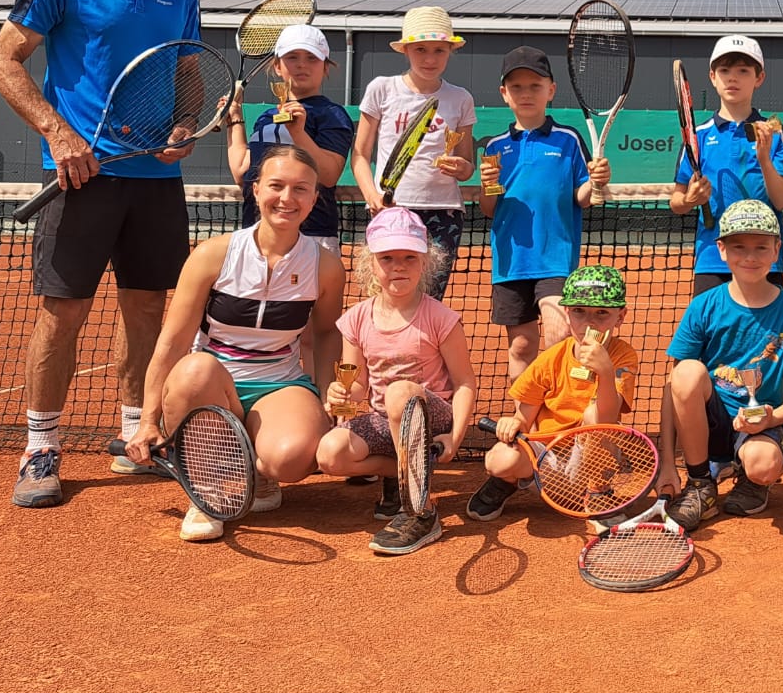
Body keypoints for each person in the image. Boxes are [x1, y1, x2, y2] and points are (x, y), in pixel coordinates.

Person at [0, 0, 202, 509]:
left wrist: (183, 127)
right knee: (64, 312)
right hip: (80, 177)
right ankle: (41, 447)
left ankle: (136, 436)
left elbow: (188, 76)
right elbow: (3, 60)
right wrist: (60, 135)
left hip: (153, 181)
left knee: (147, 306)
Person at [123, 146, 344, 542]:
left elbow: (327, 333)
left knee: (291, 459)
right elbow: (172, 341)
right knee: (194, 371)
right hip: (211, 379)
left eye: (300, 189)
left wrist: (329, 397)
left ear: (315, 198)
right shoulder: (213, 255)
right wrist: (148, 421)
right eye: (276, 186)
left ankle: (259, 471)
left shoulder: (325, 266)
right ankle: (205, 493)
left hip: (280, 382)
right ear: (255, 190)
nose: (287, 199)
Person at [317, 206, 477, 556]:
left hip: (432, 418)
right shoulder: (356, 319)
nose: (399, 266)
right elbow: (356, 387)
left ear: (425, 261)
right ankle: (403, 476)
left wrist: (456, 436)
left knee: (400, 392)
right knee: (330, 454)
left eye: (409, 257)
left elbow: (465, 383)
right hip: (382, 418)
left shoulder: (442, 318)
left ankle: (420, 509)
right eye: (387, 258)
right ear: (371, 263)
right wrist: (339, 394)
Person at [656, 199, 783, 531]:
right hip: (711, 422)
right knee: (688, 371)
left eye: (761, 247)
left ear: (777, 250)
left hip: (763, 422)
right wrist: (665, 464)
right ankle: (701, 482)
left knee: (763, 464)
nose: (750, 256)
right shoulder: (703, 306)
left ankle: (753, 480)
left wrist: (770, 418)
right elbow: (674, 386)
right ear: (721, 249)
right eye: (738, 247)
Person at [225, 24, 354, 382]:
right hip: (259, 238)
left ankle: (319, 406)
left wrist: (299, 131)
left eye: (310, 58)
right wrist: (236, 120)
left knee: (312, 334)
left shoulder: (332, 116)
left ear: (326, 66)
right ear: (277, 67)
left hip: (312, 237)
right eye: (291, 58)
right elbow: (243, 172)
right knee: (259, 329)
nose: (301, 66)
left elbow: (328, 174)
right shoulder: (266, 117)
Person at [477, 47, 611, 380]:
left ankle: (556, 415)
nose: (526, 93)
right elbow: (489, 209)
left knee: (558, 332)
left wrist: (596, 184)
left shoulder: (567, 139)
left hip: (555, 259)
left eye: (535, 86)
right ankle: (527, 418)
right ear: (504, 94)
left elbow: (582, 197)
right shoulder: (493, 147)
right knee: (521, 346)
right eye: (517, 87)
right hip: (511, 264)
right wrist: (488, 185)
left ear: (550, 90)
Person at [466, 264, 639, 521]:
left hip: (590, 461)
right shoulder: (552, 358)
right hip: (547, 461)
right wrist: (512, 424)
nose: (589, 322)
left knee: (593, 415)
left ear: (620, 316)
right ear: (567, 313)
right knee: (499, 461)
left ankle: (599, 493)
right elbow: (523, 419)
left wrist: (605, 370)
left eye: (602, 313)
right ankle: (508, 481)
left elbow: (606, 417)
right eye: (579, 311)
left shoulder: (622, 355)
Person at [351, 6, 475, 301]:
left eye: (439, 50)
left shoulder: (461, 98)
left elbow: (468, 164)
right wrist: (372, 195)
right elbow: (359, 154)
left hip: (444, 212)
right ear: (405, 50)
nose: (430, 59)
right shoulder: (382, 89)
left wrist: (461, 168)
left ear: (450, 51)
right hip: (393, 210)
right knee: (389, 297)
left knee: (431, 300)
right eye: (420, 49)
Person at [669, 34, 783, 295]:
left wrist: (764, 159)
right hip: (712, 258)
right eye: (724, 70)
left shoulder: (774, 133)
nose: (732, 78)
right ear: (713, 77)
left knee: (766, 336)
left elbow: (782, 201)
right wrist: (691, 199)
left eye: (743, 71)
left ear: (759, 78)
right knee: (711, 333)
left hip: (764, 258)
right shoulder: (698, 136)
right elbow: (676, 202)